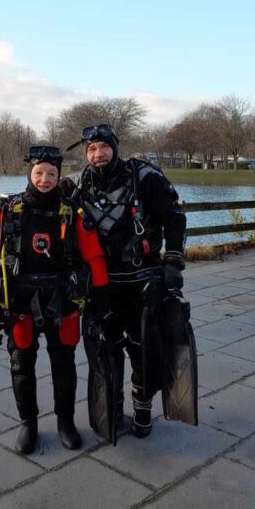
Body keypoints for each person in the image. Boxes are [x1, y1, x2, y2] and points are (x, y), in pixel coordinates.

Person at [0, 145, 110, 454]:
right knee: (22, 365)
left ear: (59, 176)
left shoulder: (72, 212)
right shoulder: (7, 210)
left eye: (51, 173)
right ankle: (28, 423)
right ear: (29, 174)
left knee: (64, 364)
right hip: (20, 303)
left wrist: (101, 299)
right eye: (39, 173)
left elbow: (95, 256)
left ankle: (65, 422)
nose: (45, 179)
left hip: (64, 303)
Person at [61, 124, 186, 438]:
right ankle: (112, 411)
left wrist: (173, 260)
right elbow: (42, 196)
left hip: (142, 281)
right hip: (99, 285)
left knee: (144, 349)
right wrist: (6, 206)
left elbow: (175, 217)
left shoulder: (145, 178)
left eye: (104, 147)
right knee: (104, 350)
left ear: (115, 148)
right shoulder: (75, 184)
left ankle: (142, 408)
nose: (98, 154)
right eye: (91, 149)